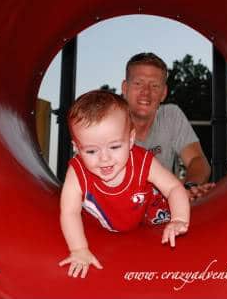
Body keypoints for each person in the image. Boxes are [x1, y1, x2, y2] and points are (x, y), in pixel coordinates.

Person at [58, 90, 190, 278]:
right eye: (91, 151)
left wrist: (179, 219)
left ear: (130, 140)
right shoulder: (77, 172)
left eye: (114, 147)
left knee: (162, 210)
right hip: (105, 221)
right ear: (77, 148)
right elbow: (69, 212)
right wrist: (79, 250)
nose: (105, 158)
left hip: (146, 208)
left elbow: (174, 187)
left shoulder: (143, 161)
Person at [121, 52, 215, 201]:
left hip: (165, 209)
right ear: (125, 88)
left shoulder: (170, 115)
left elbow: (197, 160)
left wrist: (188, 189)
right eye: (138, 83)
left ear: (163, 93)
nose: (146, 92)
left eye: (154, 86)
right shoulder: (109, 120)